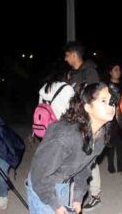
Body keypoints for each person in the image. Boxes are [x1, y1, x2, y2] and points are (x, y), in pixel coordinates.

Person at [26, 82, 115, 214]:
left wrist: (78, 197)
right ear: (88, 107)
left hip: (63, 182)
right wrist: (55, 205)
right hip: (43, 188)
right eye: (103, 101)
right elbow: (39, 175)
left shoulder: (100, 136)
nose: (111, 106)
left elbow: (84, 167)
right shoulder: (65, 137)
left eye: (111, 101)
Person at [64, 41, 103, 210]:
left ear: (73, 54)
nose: (65, 59)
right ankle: (76, 190)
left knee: (89, 155)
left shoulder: (90, 72)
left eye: (67, 55)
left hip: (90, 121)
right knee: (77, 156)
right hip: (77, 121)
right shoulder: (73, 74)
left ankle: (95, 194)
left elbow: (97, 97)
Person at [105, 63, 122, 174]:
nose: (118, 71)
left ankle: (120, 165)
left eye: (119, 70)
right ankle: (111, 165)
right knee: (111, 142)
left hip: (121, 117)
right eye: (116, 69)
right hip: (110, 117)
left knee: (121, 143)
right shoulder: (106, 86)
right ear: (110, 72)